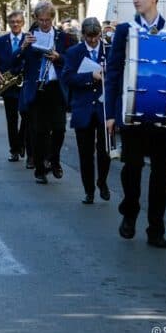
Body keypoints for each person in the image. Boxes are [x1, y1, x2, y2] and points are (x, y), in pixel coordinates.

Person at [105, 0, 166, 249]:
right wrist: (110, 114)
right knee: (131, 169)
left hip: (163, 117)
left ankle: (156, 228)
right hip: (132, 115)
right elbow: (113, 73)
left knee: (161, 175)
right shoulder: (125, 31)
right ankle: (130, 212)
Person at [19, 2, 75, 183]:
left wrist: (59, 57)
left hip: (55, 87)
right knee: (39, 131)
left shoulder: (63, 37)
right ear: (36, 19)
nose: (44, 23)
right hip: (37, 89)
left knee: (59, 128)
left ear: (53, 19)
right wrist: (23, 47)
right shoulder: (29, 37)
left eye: (47, 20)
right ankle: (40, 170)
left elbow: (73, 60)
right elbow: (15, 63)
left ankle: (54, 159)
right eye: (41, 20)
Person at [61, 17, 111, 204]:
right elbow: (67, 77)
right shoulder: (74, 52)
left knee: (105, 151)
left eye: (96, 36)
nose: (93, 40)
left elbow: (118, 75)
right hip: (83, 108)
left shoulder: (109, 50)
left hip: (103, 108)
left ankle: (102, 181)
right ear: (83, 35)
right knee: (85, 153)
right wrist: (90, 76)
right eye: (89, 37)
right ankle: (89, 190)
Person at [0, 11, 29, 163]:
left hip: (25, 84)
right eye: (12, 22)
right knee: (11, 119)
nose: (15, 24)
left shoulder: (29, 39)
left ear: (23, 23)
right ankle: (14, 150)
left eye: (18, 21)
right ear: (9, 24)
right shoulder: (0, 41)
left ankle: (21, 142)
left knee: (27, 116)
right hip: (8, 84)